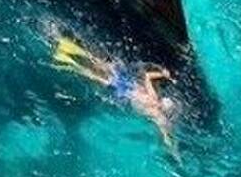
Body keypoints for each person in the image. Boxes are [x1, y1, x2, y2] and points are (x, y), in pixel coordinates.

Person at [48, 29, 180, 153]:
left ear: (163, 102)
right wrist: (171, 147)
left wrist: (162, 74)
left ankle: (71, 52)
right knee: (97, 76)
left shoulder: (154, 99)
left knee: (103, 68)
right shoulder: (156, 112)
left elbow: (147, 76)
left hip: (128, 84)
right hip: (124, 91)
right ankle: (69, 62)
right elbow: (163, 131)